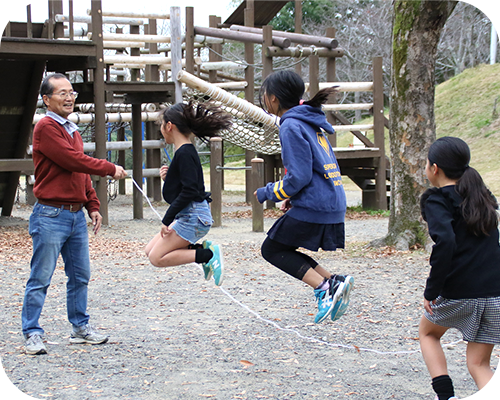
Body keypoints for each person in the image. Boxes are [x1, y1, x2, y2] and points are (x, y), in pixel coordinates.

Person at [23, 73, 128, 355]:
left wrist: (92, 205)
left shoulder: (71, 129)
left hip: (74, 217)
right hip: (50, 215)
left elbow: (78, 171)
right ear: (47, 99)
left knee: (80, 276)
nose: (69, 98)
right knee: (40, 277)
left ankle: (80, 328)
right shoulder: (46, 127)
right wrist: (108, 168)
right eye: (62, 93)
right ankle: (32, 332)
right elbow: (72, 160)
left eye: (72, 93)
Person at [254, 70, 354, 324]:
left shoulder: (290, 124)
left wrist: (268, 193)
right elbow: (315, 167)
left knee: (272, 249)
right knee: (285, 246)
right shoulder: (310, 120)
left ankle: (324, 288)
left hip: (317, 203)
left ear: (273, 99)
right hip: (330, 199)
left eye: (265, 94)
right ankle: (334, 281)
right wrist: (293, 197)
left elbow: (297, 177)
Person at [419, 136, 500, 400]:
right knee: (479, 365)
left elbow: (446, 243)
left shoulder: (436, 200)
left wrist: (431, 291)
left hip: (459, 291)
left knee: (428, 334)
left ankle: (445, 396)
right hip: (494, 292)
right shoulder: (481, 196)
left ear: (435, 169)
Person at [145, 101, 231, 286]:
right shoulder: (183, 151)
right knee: (149, 250)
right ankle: (201, 251)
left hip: (193, 217)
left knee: (156, 257)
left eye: (161, 124)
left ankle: (208, 255)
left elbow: (190, 191)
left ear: (169, 126)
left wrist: (166, 219)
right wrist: (170, 179)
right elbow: (188, 185)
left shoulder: (184, 153)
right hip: (190, 214)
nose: (161, 129)